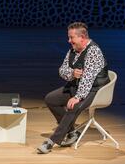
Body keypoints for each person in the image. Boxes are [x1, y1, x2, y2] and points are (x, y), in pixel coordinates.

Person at [37, 22, 110, 154]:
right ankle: (72, 133)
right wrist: (72, 73)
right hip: (76, 85)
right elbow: (62, 70)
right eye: (69, 37)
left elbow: (88, 78)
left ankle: (52, 141)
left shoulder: (93, 51)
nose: (69, 40)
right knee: (51, 99)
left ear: (82, 37)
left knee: (73, 106)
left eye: (71, 37)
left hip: (95, 89)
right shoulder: (73, 50)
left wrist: (77, 97)